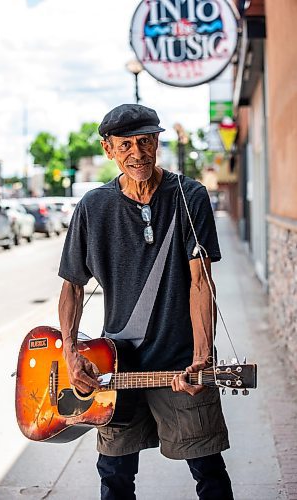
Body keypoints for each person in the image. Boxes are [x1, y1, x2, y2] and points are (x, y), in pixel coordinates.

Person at [58, 103, 234, 500]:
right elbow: (72, 286)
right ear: (109, 150)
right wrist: (70, 350)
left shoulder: (190, 197)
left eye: (145, 142)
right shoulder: (92, 207)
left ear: (157, 142)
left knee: (208, 469)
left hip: (181, 361)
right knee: (114, 476)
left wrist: (202, 355)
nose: (137, 154)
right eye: (126, 146)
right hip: (115, 365)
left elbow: (201, 281)